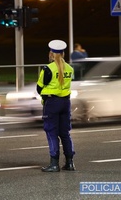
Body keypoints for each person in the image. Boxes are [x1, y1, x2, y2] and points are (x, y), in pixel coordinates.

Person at [36, 39, 76, 172]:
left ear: (51, 54)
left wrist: (45, 95)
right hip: (66, 102)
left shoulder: (48, 69)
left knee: (51, 132)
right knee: (65, 133)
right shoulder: (70, 69)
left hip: (52, 103)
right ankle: (70, 163)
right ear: (63, 54)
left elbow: (39, 87)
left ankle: (54, 164)